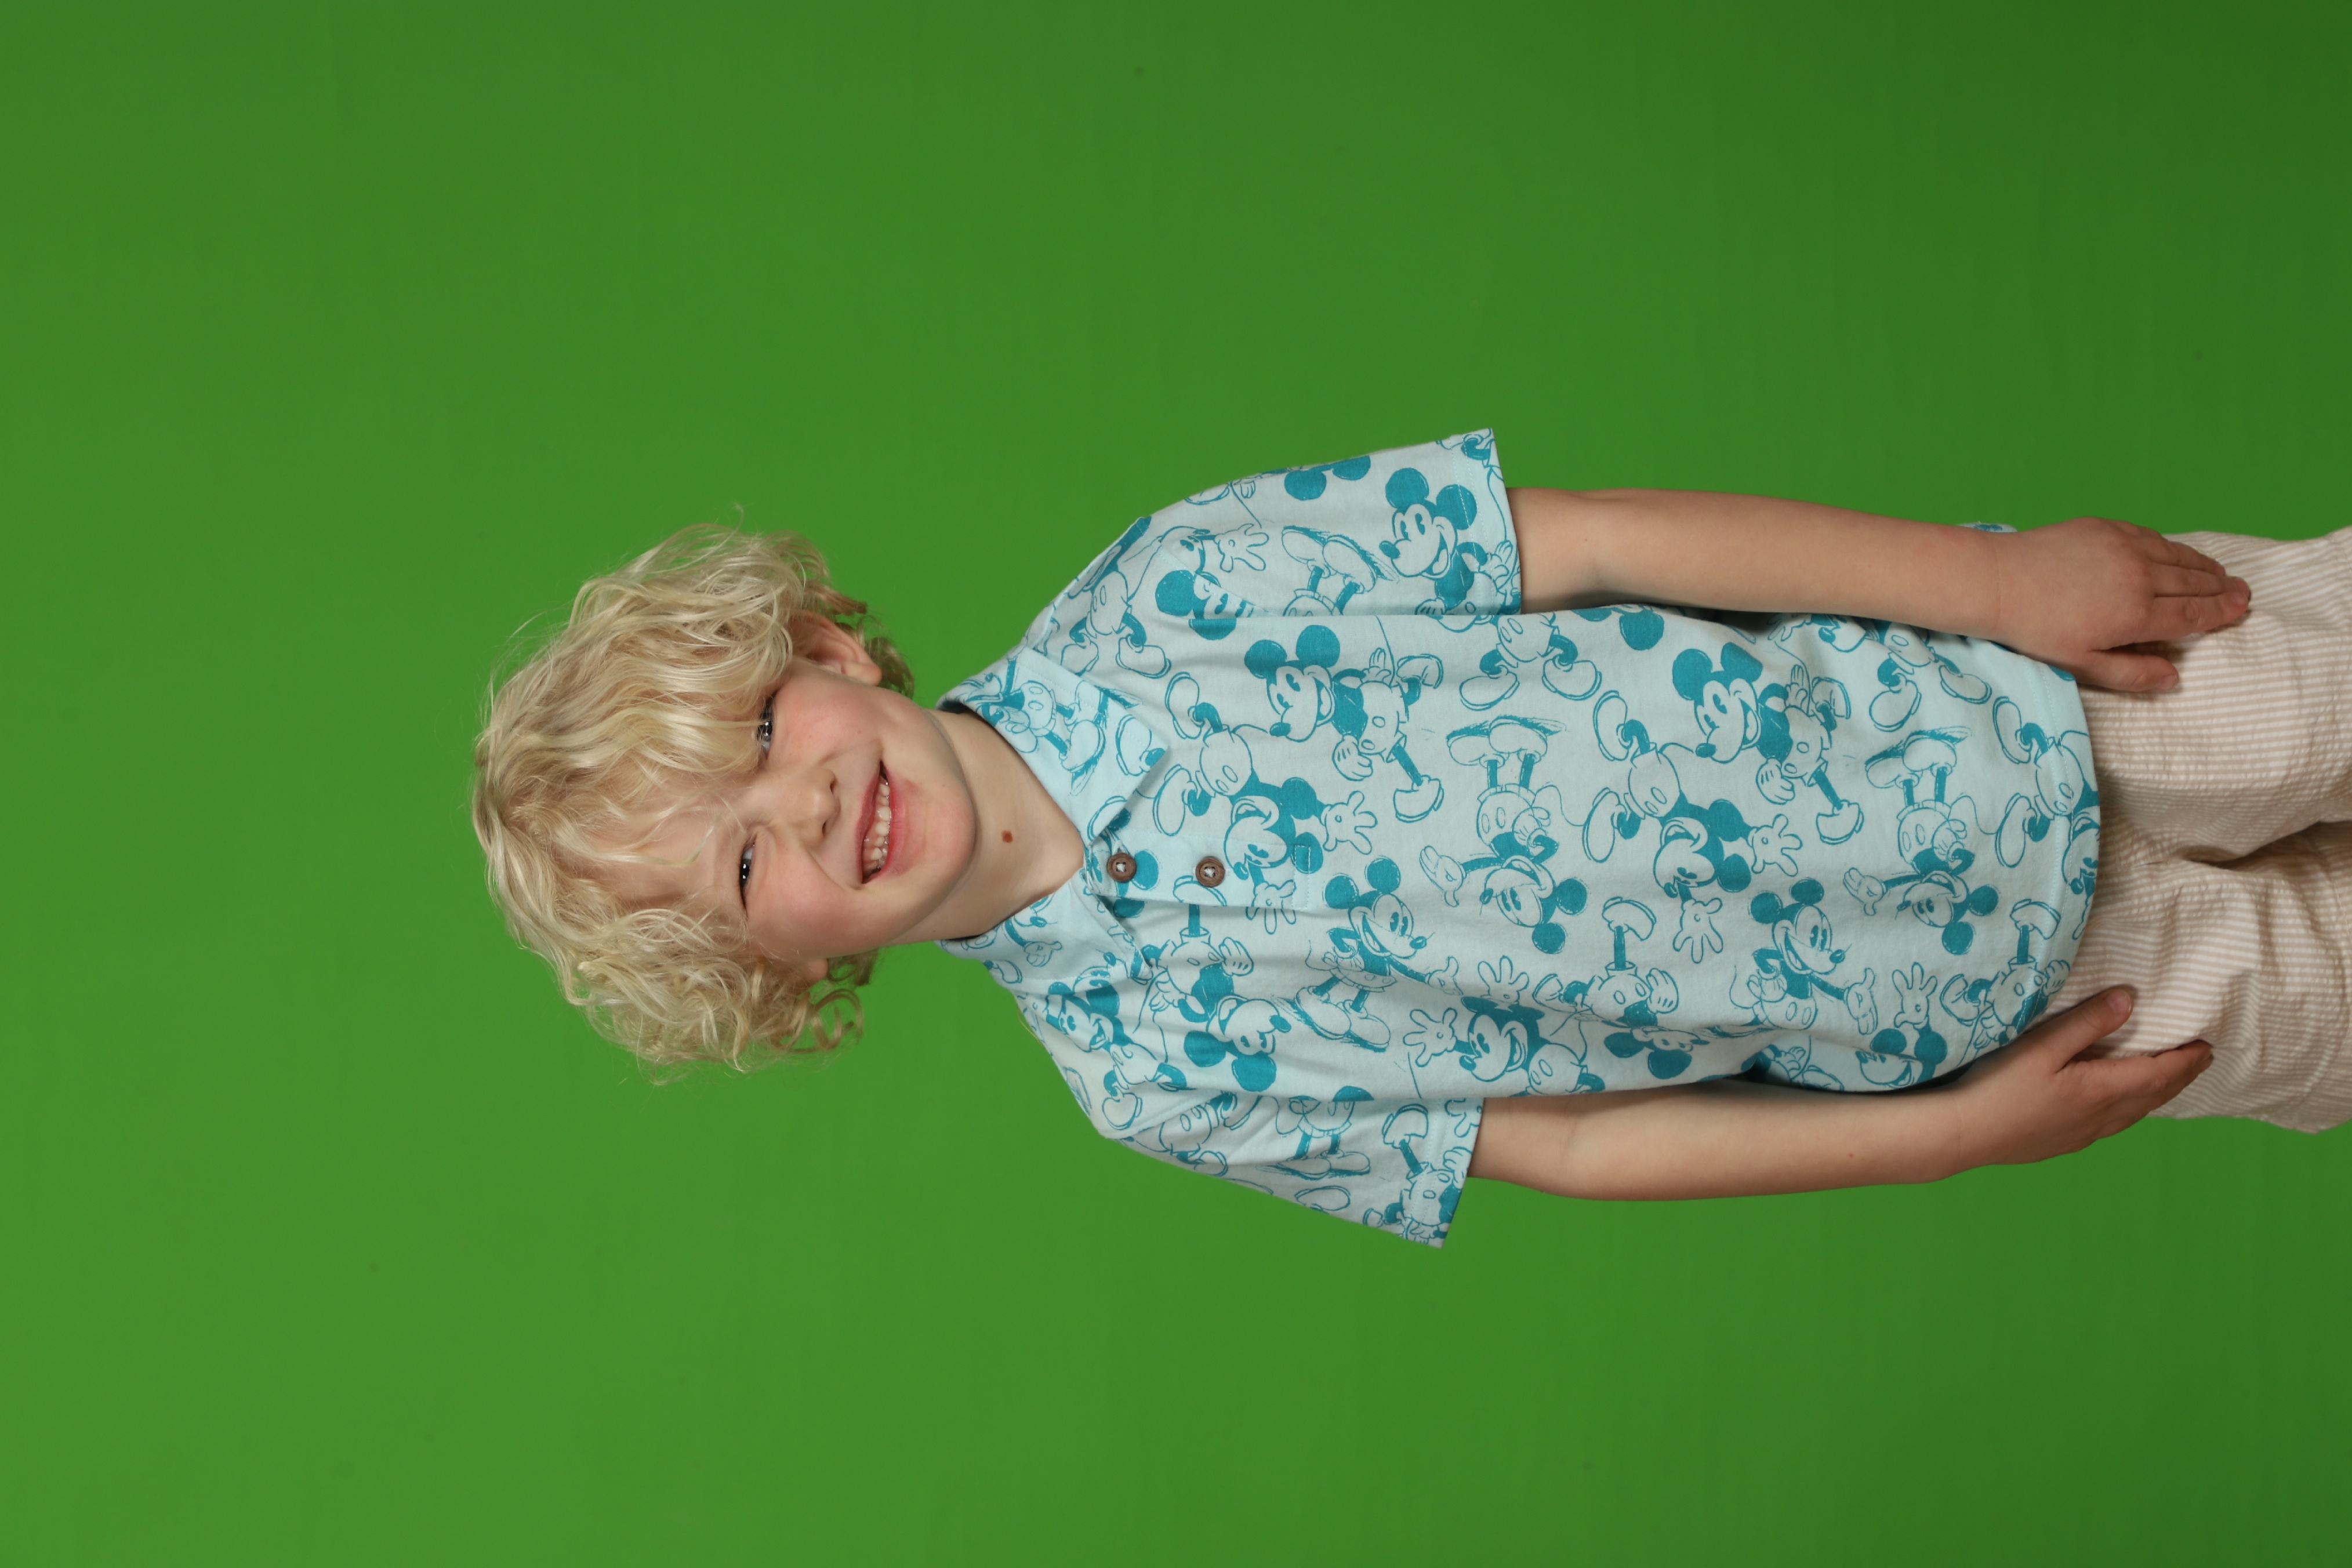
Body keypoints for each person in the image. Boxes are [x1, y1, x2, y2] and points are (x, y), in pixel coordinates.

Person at [474, 432, 2352, 1246]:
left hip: (2012, 691)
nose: (801, 806)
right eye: (743, 866)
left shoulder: (1181, 584)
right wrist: (1947, 1138)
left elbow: (1599, 540)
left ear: (823, 650)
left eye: (758, 736)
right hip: (2002, 1000)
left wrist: (1997, 586)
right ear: (787, 968)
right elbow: (1574, 1147)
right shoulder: (1151, 1075)